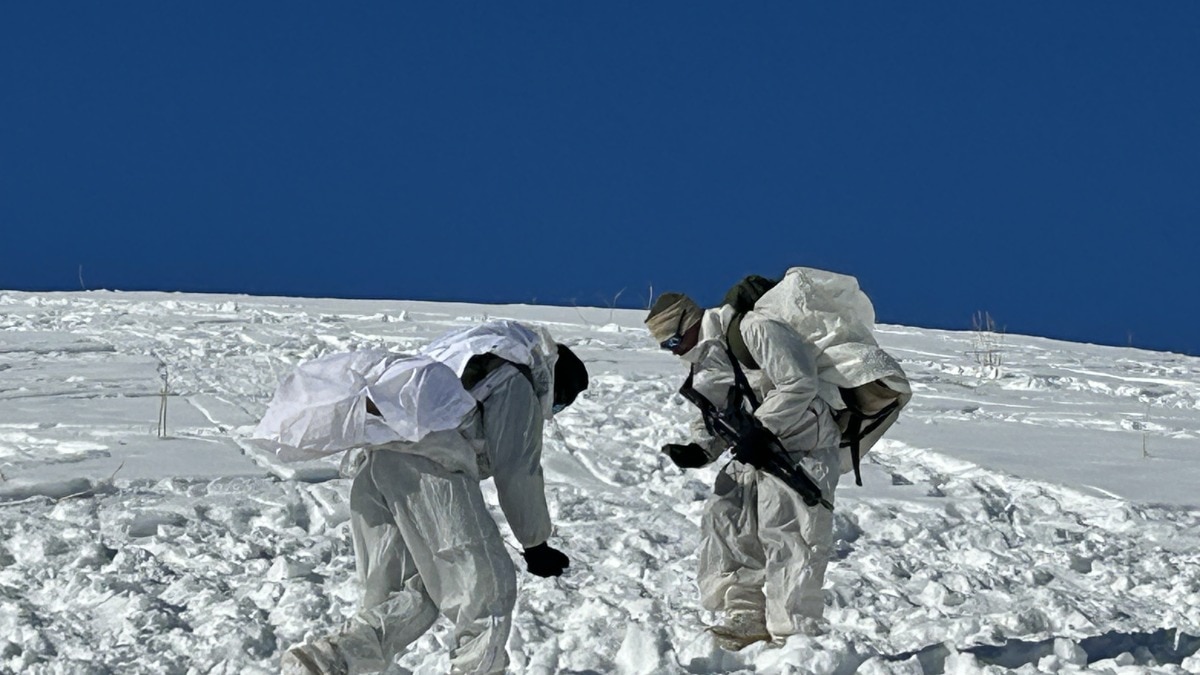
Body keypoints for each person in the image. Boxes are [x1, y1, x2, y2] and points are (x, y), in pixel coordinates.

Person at [280, 321, 589, 675]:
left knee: (414, 593)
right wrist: (535, 545)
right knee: (486, 589)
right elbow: (518, 466)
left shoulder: (467, 363)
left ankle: (326, 662)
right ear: (555, 380)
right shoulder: (516, 378)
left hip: (375, 464)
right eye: (560, 402)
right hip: (428, 467)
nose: (552, 410)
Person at [645, 292, 841, 649]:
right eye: (665, 347)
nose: (673, 351)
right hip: (755, 450)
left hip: (801, 446)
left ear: (689, 322)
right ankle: (745, 614)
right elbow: (717, 412)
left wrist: (763, 429)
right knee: (727, 520)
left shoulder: (754, 328)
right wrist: (700, 449)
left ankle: (793, 637)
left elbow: (799, 382)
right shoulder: (705, 358)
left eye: (672, 341)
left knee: (789, 534)